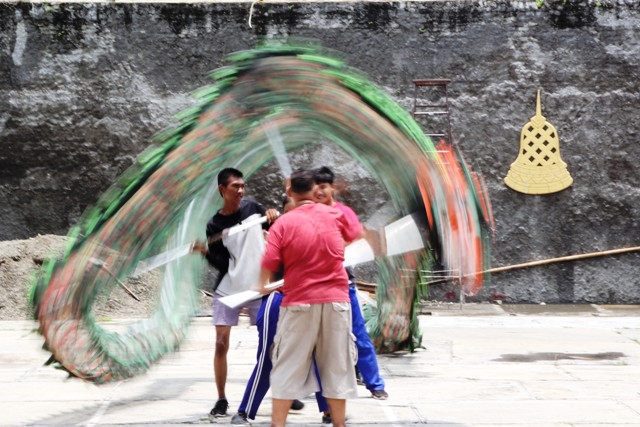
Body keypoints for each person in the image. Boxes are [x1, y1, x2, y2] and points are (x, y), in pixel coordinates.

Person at [256, 168, 361, 427]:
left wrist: (262, 286)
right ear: (316, 191)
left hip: (299, 302)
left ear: (289, 192)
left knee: (286, 367)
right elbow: (355, 232)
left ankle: (277, 425)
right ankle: (339, 424)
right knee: (337, 367)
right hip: (337, 301)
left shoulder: (284, 222)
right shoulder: (335, 213)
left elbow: (269, 261)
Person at [230, 196, 327, 425]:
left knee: (318, 355)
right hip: (277, 300)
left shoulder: (317, 230)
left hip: (305, 301)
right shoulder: (276, 228)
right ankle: (244, 411)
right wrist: (269, 222)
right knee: (267, 358)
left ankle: (328, 410)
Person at [198, 167, 280, 420]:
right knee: (221, 344)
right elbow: (223, 264)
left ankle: (282, 390)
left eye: (243, 186)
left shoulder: (254, 209)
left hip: (259, 288)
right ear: (222, 189)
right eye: (235, 187)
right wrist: (205, 252)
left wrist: (274, 217)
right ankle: (222, 399)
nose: (241, 191)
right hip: (228, 290)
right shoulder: (214, 224)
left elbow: (279, 235)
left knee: (273, 344)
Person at [313, 166, 389, 401]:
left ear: (332, 188)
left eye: (323, 187)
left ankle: (374, 384)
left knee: (359, 335)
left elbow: (359, 236)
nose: (318, 192)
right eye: (315, 187)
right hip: (315, 285)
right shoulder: (308, 214)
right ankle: (318, 388)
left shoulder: (344, 213)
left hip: (344, 283)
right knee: (315, 340)